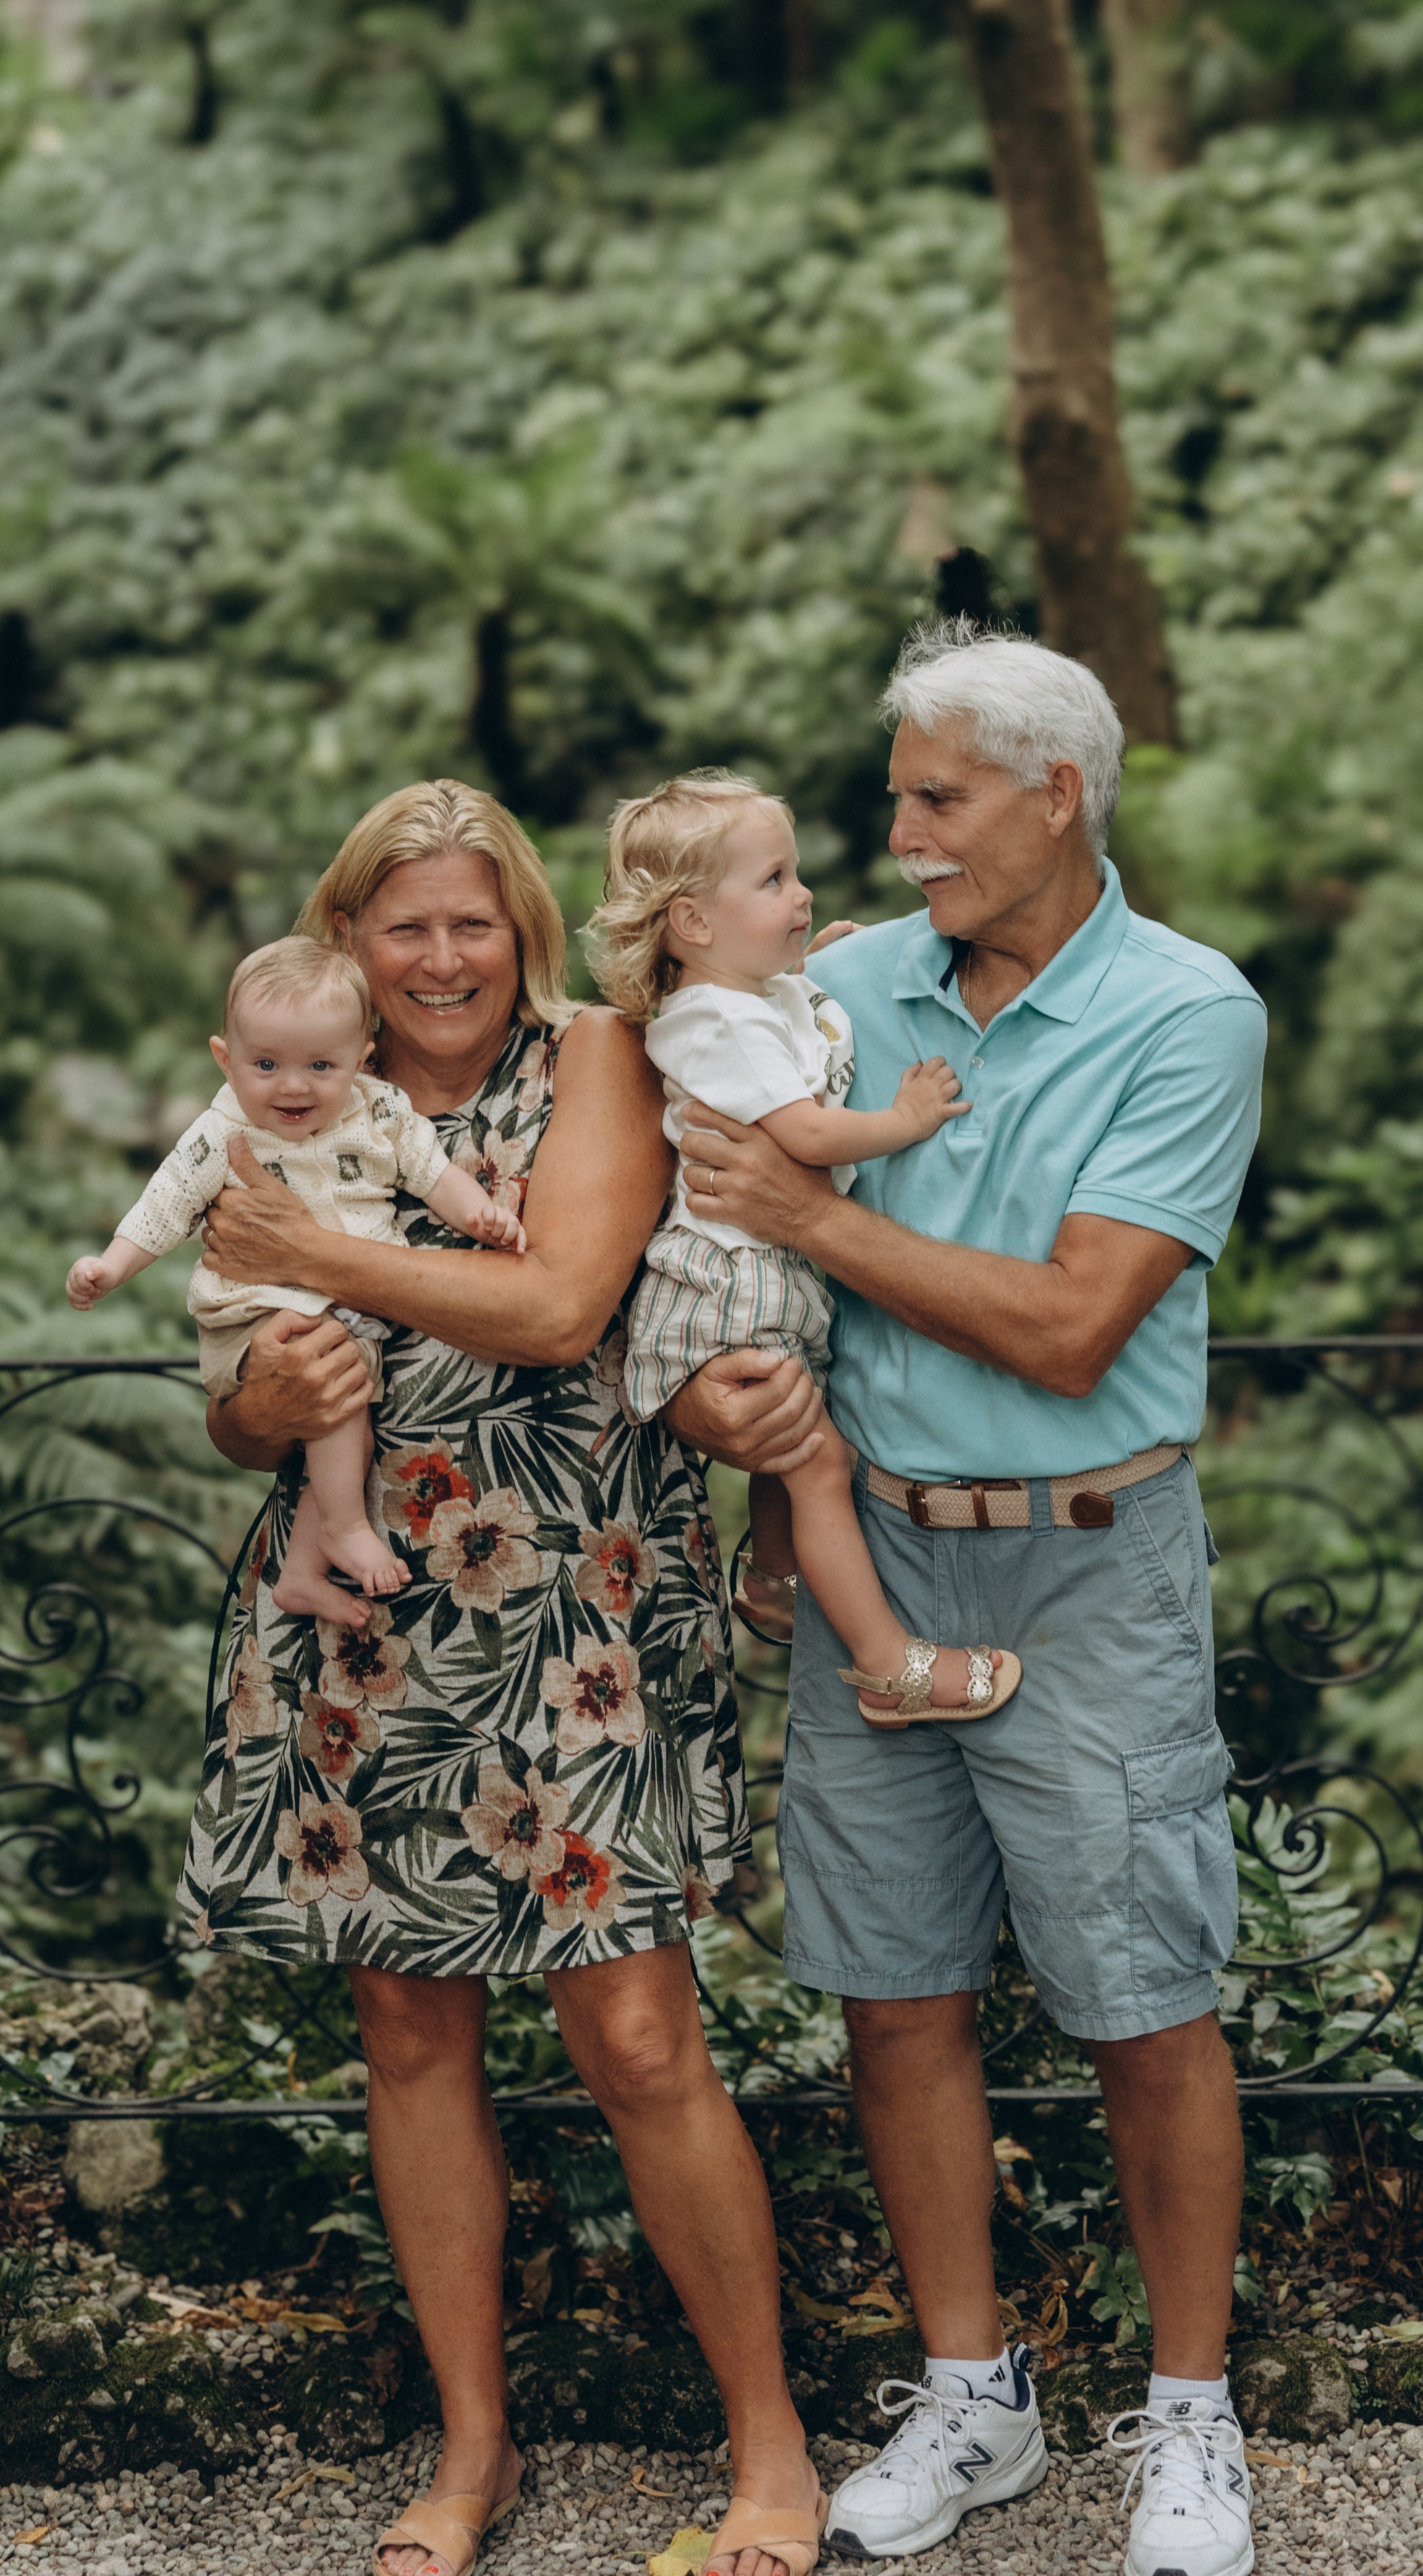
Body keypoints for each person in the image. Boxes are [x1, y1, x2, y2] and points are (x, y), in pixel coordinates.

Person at [177, 781, 824, 2576]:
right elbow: (235, 1401)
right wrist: (267, 1398)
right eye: (405, 926)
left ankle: (769, 2444)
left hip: (575, 1606)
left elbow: (555, 1306)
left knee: (638, 2033)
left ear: (520, 927)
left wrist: (315, 1255)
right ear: (351, 938)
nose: (441, 957)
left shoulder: (595, 1057)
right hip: (363, 1609)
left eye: (472, 921)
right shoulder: (289, 1087)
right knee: (407, 2031)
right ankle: (471, 2448)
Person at [675, 625, 1268, 2576]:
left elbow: (1080, 1324)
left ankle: (1190, 2416)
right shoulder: (841, 988)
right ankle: (971, 2394)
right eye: (898, 798)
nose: (903, 835)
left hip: (1091, 1557)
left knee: (1146, 2003)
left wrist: (810, 1215)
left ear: (1054, 792)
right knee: (896, 1992)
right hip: (873, 1557)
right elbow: (691, 1177)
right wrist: (733, 1401)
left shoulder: (1187, 1012)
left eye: (936, 798)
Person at [588, 767, 1017, 1727]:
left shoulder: (747, 998)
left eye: (796, 874)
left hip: (764, 1272)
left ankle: (776, 1578)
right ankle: (889, 1666)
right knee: (819, 1462)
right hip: (733, 1281)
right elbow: (809, 1135)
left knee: (800, 1451)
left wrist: (808, 974)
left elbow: (788, 1038)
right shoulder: (716, 1019)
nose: (803, 893)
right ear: (693, 922)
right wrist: (908, 1119)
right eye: (774, 880)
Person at [66, 936, 524, 1622]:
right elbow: (166, 1203)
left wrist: (479, 1214)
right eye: (266, 1064)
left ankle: (304, 1572)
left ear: (361, 1059)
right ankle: (344, 1529)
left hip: (344, 1319)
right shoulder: (223, 1132)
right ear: (226, 1059)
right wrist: (111, 1265)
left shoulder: (379, 1112)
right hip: (258, 1316)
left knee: (347, 1434)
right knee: (335, 1411)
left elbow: (432, 1174)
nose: (293, 1086)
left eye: (320, 1065)